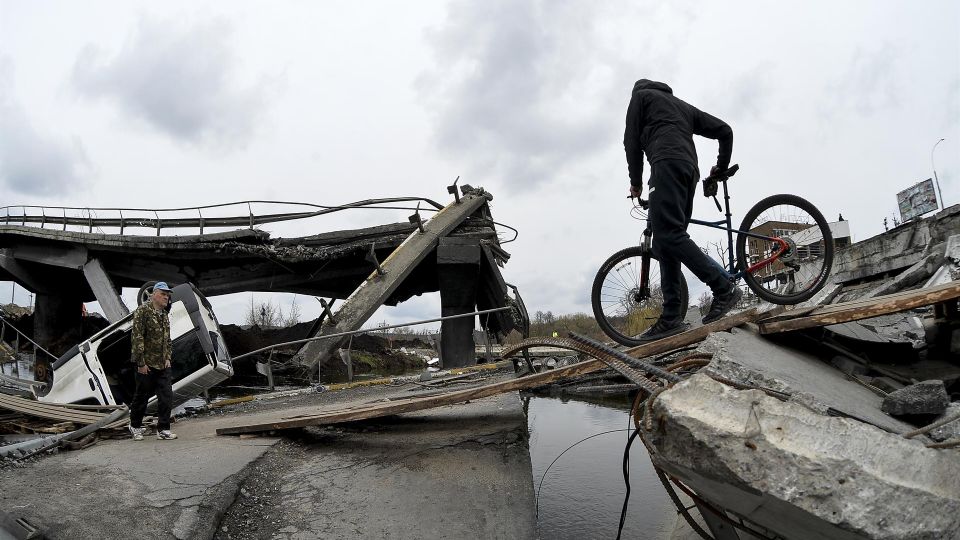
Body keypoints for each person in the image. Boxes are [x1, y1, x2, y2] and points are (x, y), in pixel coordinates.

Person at [624, 79, 743, 342]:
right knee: (668, 242)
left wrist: (635, 183)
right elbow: (725, 130)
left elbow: (630, 142)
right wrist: (720, 167)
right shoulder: (682, 106)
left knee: (669, 237)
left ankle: (723, 288)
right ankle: (671, 318)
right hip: (689, 172)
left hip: (666, 164)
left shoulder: (640, 98)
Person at [128, 281, 177, 440]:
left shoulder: (164, 315)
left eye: (167, 295)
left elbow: (167, 339)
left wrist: (168, 357)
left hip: (162, 364)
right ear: (154, 294)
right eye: (163, 294)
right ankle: (135, 426)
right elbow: (137, 338)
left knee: (166, 396)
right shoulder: (143, 311)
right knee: (142, 396)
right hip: (146, 364)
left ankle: (163, 429)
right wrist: (140, 363)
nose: (166, 298)